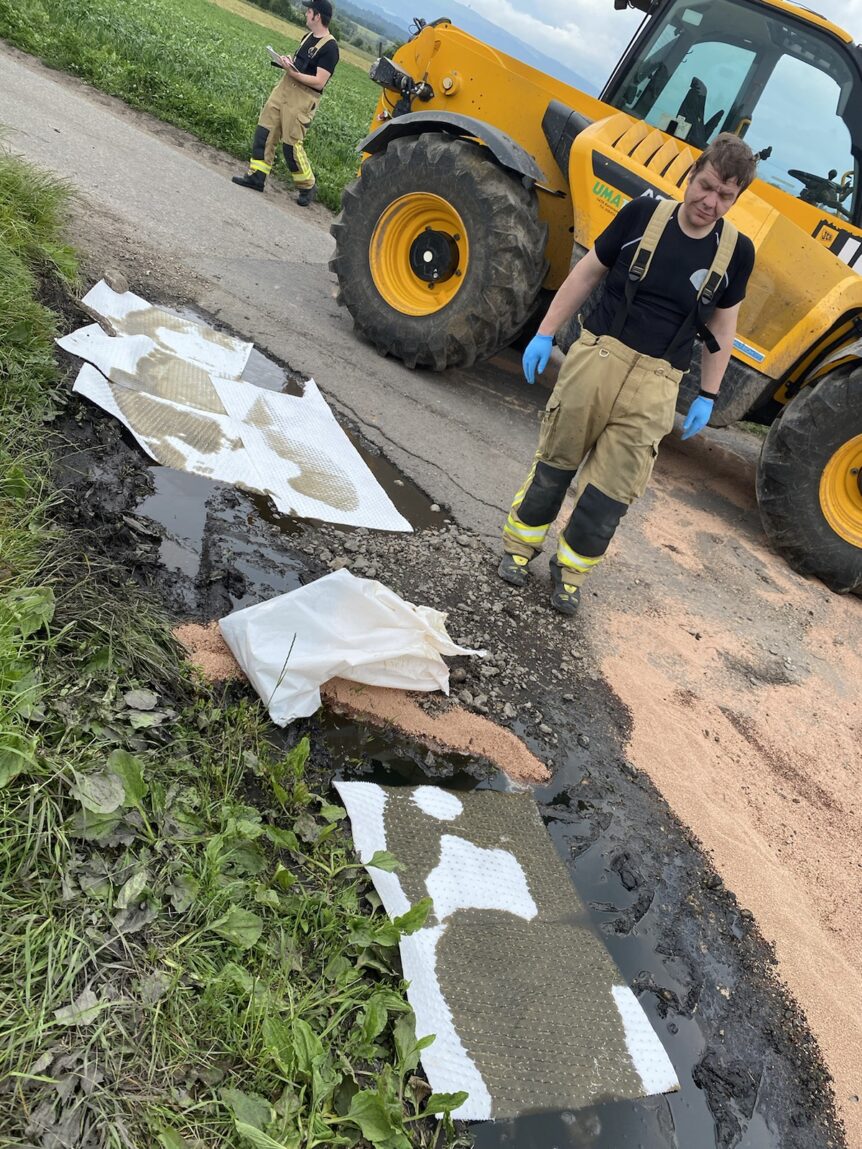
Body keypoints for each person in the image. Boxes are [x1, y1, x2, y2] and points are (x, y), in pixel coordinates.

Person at [499, 133, 757, 616]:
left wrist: (708, 393)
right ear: (690, 176)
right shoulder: (642, 215)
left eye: (725, 196)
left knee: (612, 491)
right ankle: (518, 548)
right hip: (598, 357)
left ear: (737, 196)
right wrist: (546, 331)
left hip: (659, 383)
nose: (709, 202)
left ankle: (570, 573)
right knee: (556, 462)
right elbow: (587, 273)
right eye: (704, 187)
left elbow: (724, 324)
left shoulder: (736, 253)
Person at [232, 0, 339, 206]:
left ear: (317, 16)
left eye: (309, 11)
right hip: (284, 89)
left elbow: (319, 81)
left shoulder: (330, 48)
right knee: (265, 132)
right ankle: (257, 176)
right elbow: (301, 65)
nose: (305, 14)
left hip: (303, 99)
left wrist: (291, 72)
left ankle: (308, 186)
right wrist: (289, 62)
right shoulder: (308, 36)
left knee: (291, 145)